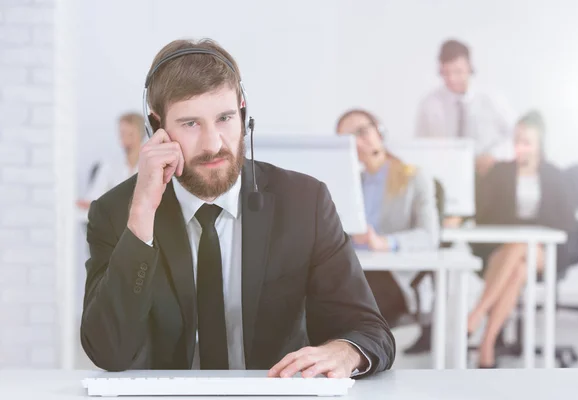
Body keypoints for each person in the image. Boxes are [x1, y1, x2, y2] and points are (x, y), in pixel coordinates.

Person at [80, 38, 395, 378]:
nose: (213, 144)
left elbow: (370, 331)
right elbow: (107, 351)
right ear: (157, 128)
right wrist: (142, 217)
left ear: (243, 114)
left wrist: (345, 351)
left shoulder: (305, 202)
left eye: (225, 118)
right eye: (190, 124)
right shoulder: (117, 213)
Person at [467, 111, 576, 368]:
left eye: (527, 141)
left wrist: (533, 232)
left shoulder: (554, 175)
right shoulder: (499, 172)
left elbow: (568, 220)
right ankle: (487, 345)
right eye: (517, 140)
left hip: (543, 252)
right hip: (504, 252)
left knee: (521, 246)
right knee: (517, 268)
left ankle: (476, 314)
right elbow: (482, 214)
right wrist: (479, 173)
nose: (521, 146)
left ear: (539, 144)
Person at [336, 109, 439, 354]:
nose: (358, 142)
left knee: (347, 311)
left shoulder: (412, 178)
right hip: (353, 270)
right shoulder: (347, 184)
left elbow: (429, 235)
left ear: (379, 131)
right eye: (347, 139)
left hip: (389, 278)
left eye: (362, 131)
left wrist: (385, 242)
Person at [415, 39, 515, 226]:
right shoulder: (430, 104)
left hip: (487, 175)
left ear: (469, 68)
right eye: (446, 73)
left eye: (458, 72)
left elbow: (515, 136)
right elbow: (421, 147)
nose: (452, 78)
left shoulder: (491, 98)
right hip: (448, 178)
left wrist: (493, 155)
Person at [77, 112, 145, 210]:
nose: (124, 138)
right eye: (122, 133)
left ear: (141, 134)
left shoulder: (152, 165)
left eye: (130, 134)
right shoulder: (109, 164)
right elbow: (94, 197)